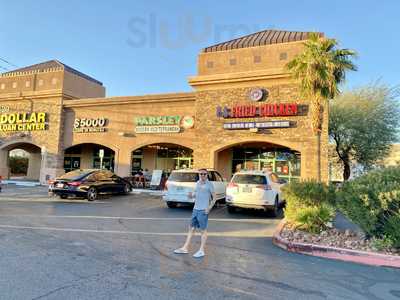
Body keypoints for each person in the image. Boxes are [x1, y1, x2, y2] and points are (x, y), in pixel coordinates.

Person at [174, 168, 215, 258]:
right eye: (201, 174)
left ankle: (201, 250)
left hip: (203, 210)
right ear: (199, 174)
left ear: (207, 174)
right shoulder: (197, 183)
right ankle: (185, 248)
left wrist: (209, 208)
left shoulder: (209, 184)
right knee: (191, 229)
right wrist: (191, 195)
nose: (202, 175)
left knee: (203, 231)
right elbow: (195, 194)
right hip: (195, 209)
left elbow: (214, 198)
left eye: (204, 174)